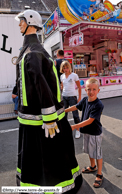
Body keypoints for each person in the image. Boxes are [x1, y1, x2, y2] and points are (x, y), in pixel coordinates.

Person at [15, 9, 82, 193]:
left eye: (21, 21)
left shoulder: (33, 51)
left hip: (38, 118)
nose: (19, 24)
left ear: (30, 22)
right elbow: (25, 80)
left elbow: (42, 85)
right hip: (32, 116)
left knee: (45, 156)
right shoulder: (30, 50)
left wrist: (49, 117)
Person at [65, 78, 104, 188]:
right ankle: (92, 166)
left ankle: (99, 174)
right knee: (89, 151)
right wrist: (63, 111)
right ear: (85, 90)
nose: (91, 92)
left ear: (98, 90)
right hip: (87, 131)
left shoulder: (98, 104)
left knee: (97, 153)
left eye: (94, 89)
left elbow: (90, 121)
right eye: (88, 89)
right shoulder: (85, 100)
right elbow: (75, 107)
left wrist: (74, 126)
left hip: (95, 133)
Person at [60, 61, 81, 139]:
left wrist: (79, 98)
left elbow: (79, 87)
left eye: (67, 67)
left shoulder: (74, 75)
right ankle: (65, 131)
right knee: (64, 115)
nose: (66, 69)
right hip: (64, 97)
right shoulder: (61, 76)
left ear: (70, 67)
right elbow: (62, 87)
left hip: (73, 97)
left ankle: (78, 130)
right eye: (64, 68)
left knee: (75, 115)